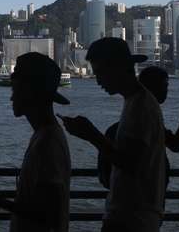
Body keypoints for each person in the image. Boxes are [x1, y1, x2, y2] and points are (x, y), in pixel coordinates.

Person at [57, 37, 166, 232]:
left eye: (100, 73)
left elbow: (131, 163)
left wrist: (91, 135)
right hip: (134, 214)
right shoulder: (135, 101)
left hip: (132, 217)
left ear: (117, 68)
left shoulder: (140, 106)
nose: (98, 80)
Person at [0, 52, 71, 232]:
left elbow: (49, 215)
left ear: (30, 91)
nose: (11, 98)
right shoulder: (46, 136)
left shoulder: (47, 143)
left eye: (15, 90)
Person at [98, 66, 179, 189]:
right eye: (164, 86)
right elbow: (175, 145)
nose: (166, 90)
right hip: (143, 200)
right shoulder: (147, 119)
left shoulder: (138, 117)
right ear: (152, 87)